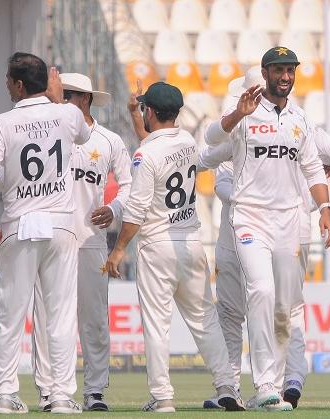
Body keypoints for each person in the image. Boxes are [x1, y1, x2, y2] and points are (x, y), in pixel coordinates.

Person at [198, 68, 330, 411]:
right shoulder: (239, 122)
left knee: (283, 305)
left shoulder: (299, 122)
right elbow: (209, 161)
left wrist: (320, 195)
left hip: (288, 224)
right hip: (244, 227)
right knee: (243, 306)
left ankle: (286, 381)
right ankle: (235, 387)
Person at [106, 81, 244, 412]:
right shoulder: (185, 140)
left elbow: (136, 209)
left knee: (157, 323)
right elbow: (153, 144)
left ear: (149, 111)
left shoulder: (144, 155)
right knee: (205, 320)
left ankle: (163, 396)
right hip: (191, 242)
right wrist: (135, 115)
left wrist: (118, 249)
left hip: (157, 245)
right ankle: (227, 386)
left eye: (144, 110)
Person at [0, 52, 92, 414]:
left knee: (10, 315)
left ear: (20, 84)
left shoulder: (3, 123)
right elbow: (84, 134)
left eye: (9, 78)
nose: (7, 83)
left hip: (19, 224)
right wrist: (58, 101)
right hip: (60, 224)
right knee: (60, 316)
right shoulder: (68, 113)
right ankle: (59, 396)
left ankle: (6, 395)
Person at [31, 73, 132, 412]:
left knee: (94, 319)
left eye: (65, 96)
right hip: (51, 236)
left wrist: (115, 208)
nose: (58, 101)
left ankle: (94, 391)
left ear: (84, 99)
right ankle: (48, 392)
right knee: (47, 318)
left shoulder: (109, 140)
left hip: (90, 239)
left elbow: (131, 185)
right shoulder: (44, 131)